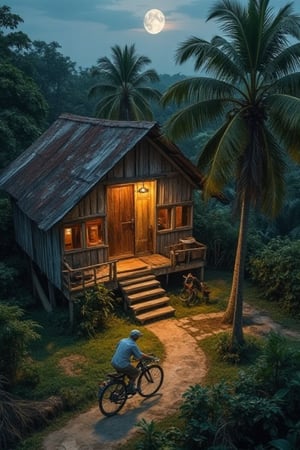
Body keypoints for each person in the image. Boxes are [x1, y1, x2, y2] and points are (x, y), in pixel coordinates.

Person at [111, 329, 153, 394]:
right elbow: (140, 356)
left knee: (125, 373)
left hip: (114, 362)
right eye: (139, 336)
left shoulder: (123, 340)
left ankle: (121, 388)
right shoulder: (133, 345)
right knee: (136, 372)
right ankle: (130, 389)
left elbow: (118, 348)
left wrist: (129, 355)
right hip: (122, 365)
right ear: (136, 337)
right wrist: (150, 358)